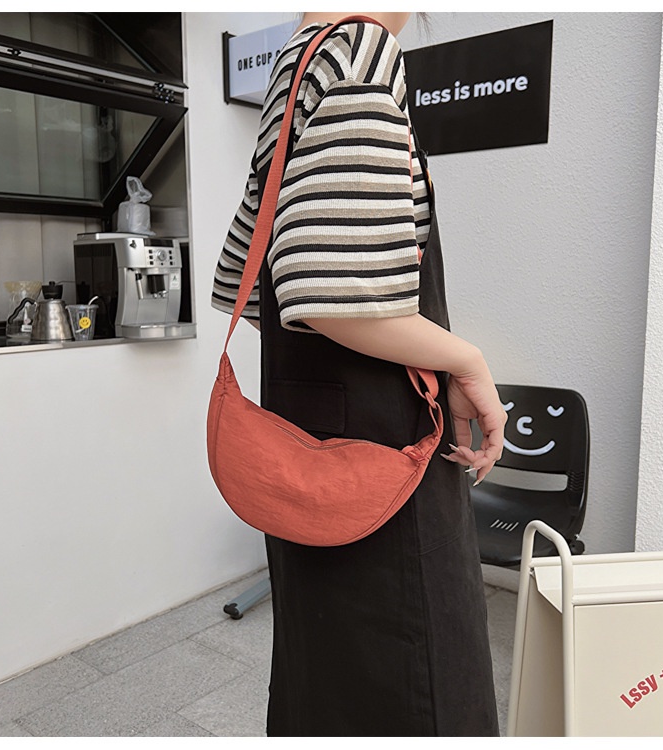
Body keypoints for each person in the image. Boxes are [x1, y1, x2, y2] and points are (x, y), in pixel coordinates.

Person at [212, 11, 506, 737]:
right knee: (421, 687)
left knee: (330, 684)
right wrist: (466, 360)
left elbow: (258, 289)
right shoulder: (360, 55)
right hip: (387, 455)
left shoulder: (294, 67)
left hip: (313, 452)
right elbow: (328, 294)